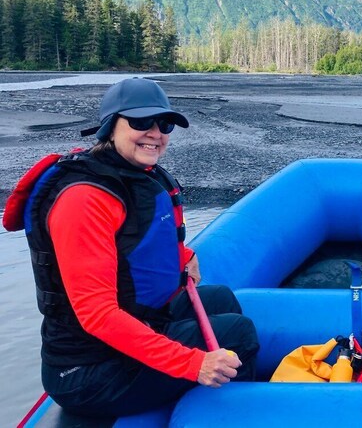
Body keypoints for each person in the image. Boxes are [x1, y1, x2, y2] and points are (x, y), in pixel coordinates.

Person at [2, 77, 259, 418]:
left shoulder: (129, 173)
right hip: (89, 370)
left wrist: (185, 256)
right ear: (110, 126)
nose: (155, 133)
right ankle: (240, 413)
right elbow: (98, 315)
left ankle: (230, 389)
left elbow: (137, 242)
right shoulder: (84, 198)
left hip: (138, 323)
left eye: (164, 123)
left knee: (221, 297)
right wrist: (194, 363)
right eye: (140, 122)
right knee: (238, 334)